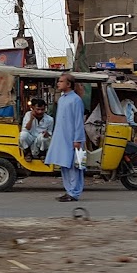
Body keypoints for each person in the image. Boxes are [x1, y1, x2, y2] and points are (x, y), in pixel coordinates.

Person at [45, 73, 86, 202]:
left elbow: (78, 121)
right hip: (62, 138)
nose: (58, 83)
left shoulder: (76, 100)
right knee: (64, 165)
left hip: (73, 139)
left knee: (75, 166)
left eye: (61, 81)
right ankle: (68, 190)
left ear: (68, 84)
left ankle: (74, 193)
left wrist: (77, 140)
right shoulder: (62, 99)